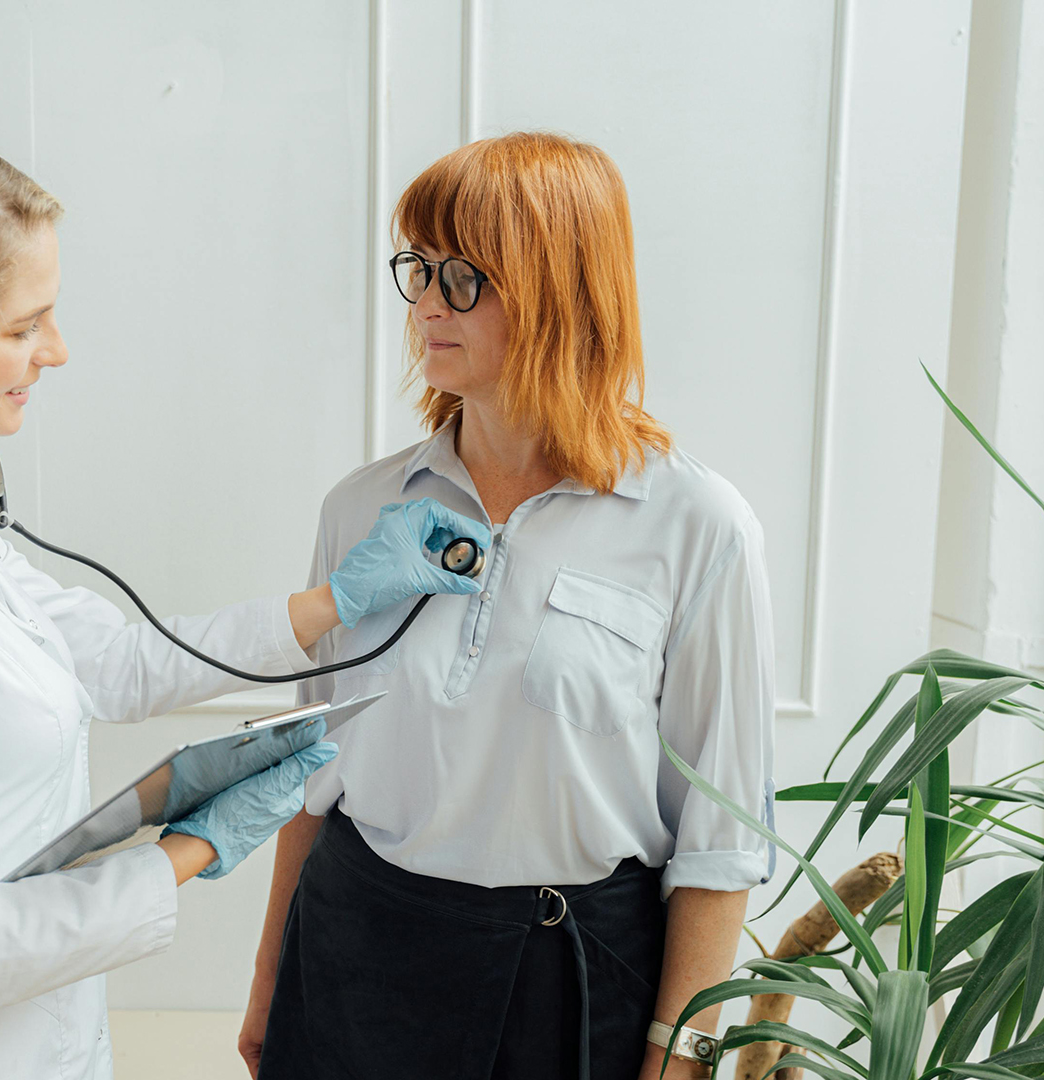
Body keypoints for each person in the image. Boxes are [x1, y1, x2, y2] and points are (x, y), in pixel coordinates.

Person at [0, 124, 488, 1080]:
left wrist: (335, 600)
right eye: (22, 326)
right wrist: (184, 855)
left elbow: (111, 662)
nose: (58, 350)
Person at [241, 132, 777, 1080]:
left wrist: (680, 1050)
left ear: (559, 290)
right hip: (353, 950)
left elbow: (720, 840)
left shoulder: (698, 527)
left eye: (461, 278)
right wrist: (268, 981)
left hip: (569, 979)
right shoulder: (361, 508)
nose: (424, 305)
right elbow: (310, 776)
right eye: (418, 269)